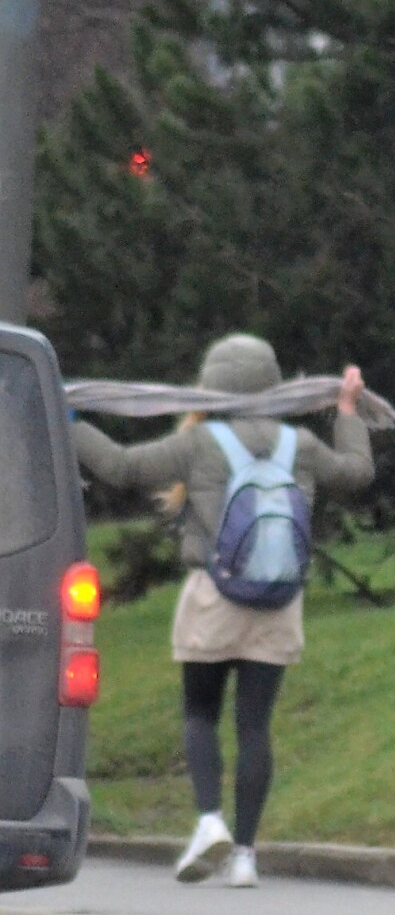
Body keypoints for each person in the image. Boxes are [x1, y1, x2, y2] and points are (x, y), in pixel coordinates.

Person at [72, 334, 376, 886]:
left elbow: (119, 467)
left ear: (208, 388)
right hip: (280, 600)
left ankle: (209, 817)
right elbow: (357, 474)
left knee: (199, 715)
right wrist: (348, 412)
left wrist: (68, 420)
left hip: (213, 596)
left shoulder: (199, 443)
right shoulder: (301, 443)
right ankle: (245, 856)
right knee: (254, 726)